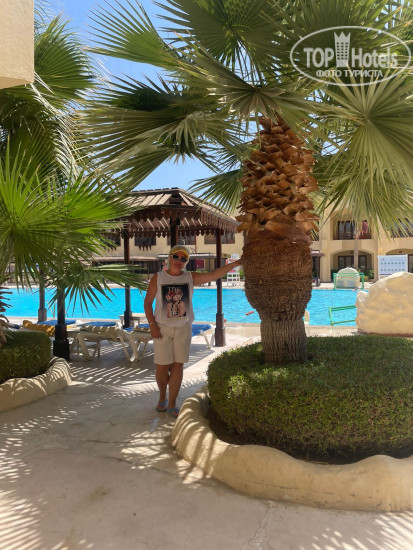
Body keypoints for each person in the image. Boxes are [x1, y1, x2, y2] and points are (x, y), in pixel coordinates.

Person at [144, 245, 242, 418]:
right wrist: (152, 324)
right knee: (162, 366)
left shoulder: (190, 277)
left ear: (186, 262)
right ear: (169, 257)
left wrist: (236, 263)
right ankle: (162, 396)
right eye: (175, 257)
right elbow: (147, 302)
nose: (178, 261)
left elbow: (214, 275)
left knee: (178, 365)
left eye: (183, 259)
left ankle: (172, 402)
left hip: (183, 329)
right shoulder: (158, 278)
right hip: (162, 329)